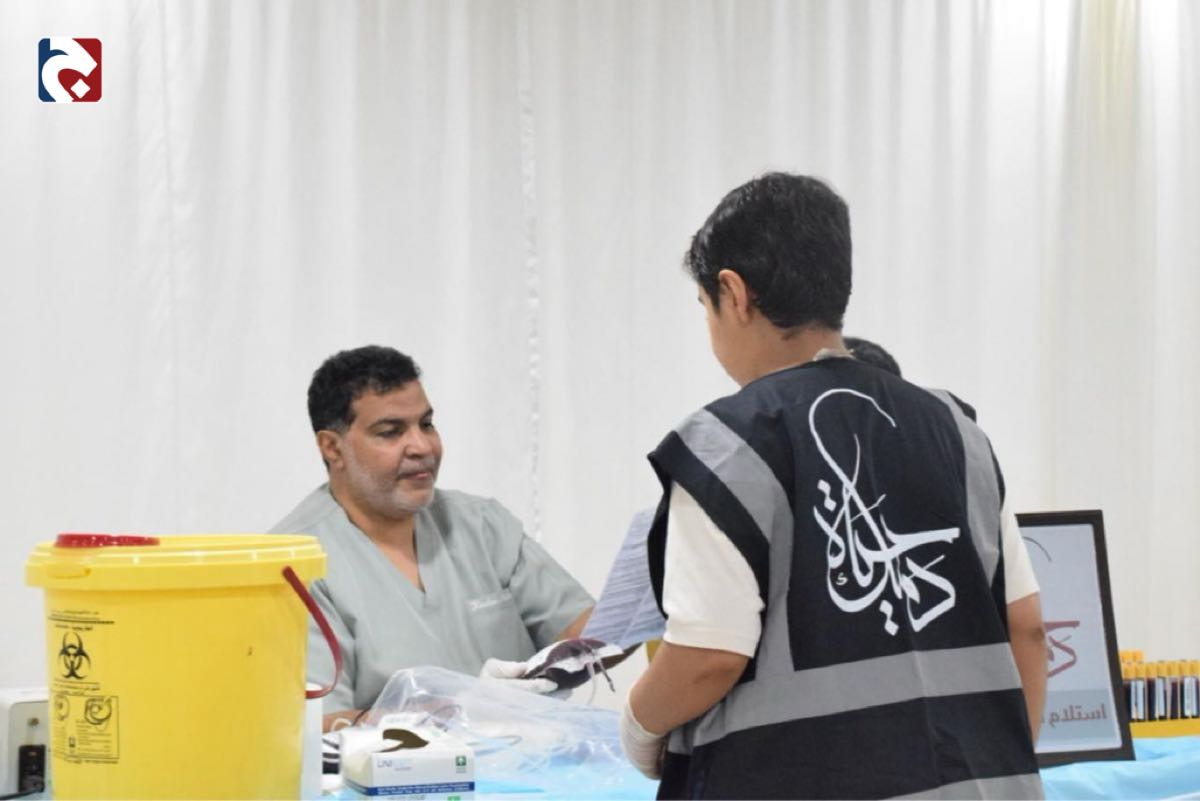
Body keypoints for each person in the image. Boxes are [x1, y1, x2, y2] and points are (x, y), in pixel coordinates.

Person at [619, 174, 1047, 799]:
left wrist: (636, 727)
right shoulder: (958, 432)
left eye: (706, 306)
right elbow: (1027, 627)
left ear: (734, 294)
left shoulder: (725, 447)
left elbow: (708, 656)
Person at [271, 346, 594, 729]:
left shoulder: (481, 525)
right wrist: (455, 714)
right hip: (395, 768)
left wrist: (641, 599)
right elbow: (315, 725)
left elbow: (584, 633)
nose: (422, 447)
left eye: (426, 424)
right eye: (390, 432)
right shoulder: (295, 564)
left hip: (528, 758)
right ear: (332, 447)